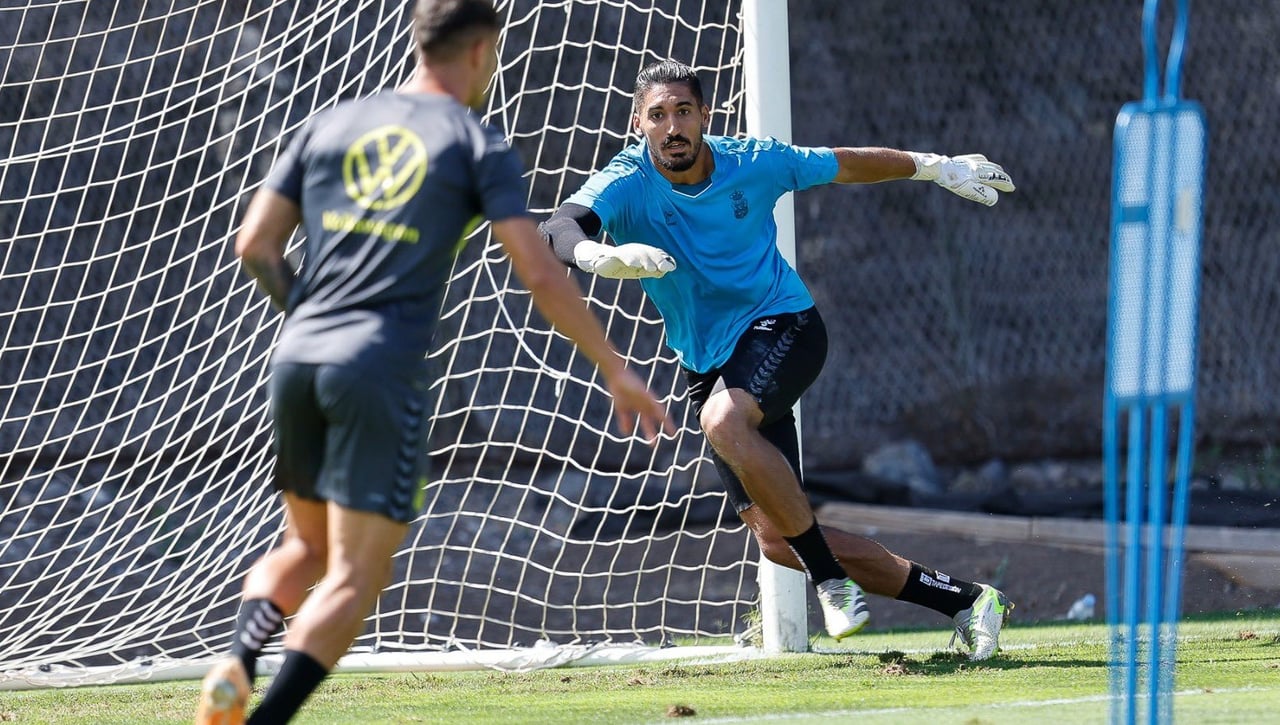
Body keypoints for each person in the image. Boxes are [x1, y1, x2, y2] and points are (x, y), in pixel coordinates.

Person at [195, 2, 672, 723]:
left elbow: (254, 245)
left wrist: (312, 320)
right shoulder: (475, 143)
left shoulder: (331, 122)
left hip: (295, 357)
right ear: (481, 52)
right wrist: (615, 366)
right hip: (378, 366)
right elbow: (541, 272)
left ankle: (236, 659)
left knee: (305, 546)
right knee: (358, 576)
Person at [540, 59, 1017, 659]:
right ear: (640, 124)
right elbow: (559, 225)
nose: (672, 127)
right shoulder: (627, 179)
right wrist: (596, 257)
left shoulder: (753, 160)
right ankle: (969, 602)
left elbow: (842, 163)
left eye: (683, 111)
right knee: (775, 539)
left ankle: (830, 581)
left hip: (784, 326)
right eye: (657, 116)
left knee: (723, 422)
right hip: (708, 362)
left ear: (704, 117)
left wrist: (933, 167)